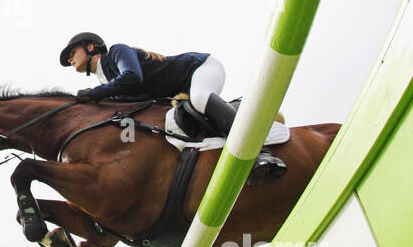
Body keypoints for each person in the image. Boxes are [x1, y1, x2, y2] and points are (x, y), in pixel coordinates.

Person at [58, 31, 286, 179]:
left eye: (72, 53)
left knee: (199, 99)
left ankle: (262, 152)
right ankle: (236, 109)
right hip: (181, 94)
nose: (70, 59)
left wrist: (95, 94)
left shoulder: (117, 52)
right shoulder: (106, 81)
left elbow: (132, 77)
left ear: (90, 47)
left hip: (200, 68)